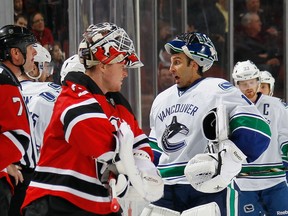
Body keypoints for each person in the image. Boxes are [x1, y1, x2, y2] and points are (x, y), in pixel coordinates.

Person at [22, 22, 163, 215]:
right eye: (122, 64)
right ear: (104, 64)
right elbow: (99, 144)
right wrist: (128, 165)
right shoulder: (73, 94)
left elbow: (141, 145)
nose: (125, 72)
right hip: (57, 200)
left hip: (96, 203)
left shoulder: (118, 105)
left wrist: (138, 164)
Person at [144, 32, 271, 216]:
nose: (171, 68)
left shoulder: (218, 89)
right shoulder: (161, 99)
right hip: (166, 187)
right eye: (171, 62)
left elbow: (257, 129)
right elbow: (155, 147)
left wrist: (229, 159)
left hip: (206, 185)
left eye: (177, 62)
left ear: (194, 64)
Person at [232, 60, 288, 215]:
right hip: (243, 182)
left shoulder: (277, 105)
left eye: (252, 82)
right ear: (236, 84)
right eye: (243, 83)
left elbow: (285, 134)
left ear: (258, 81)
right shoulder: (230, 108)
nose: (248, 87)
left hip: (275, 180)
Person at [0, 24, 35, 216]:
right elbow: (17, 137)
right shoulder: (5, 82)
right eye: (30, 49)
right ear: (15, 53)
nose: (33, 55)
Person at [234, 12, 281, 78]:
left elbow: (274, 49)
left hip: (268, 60)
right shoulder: (241, 38)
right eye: (257, 21)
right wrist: (265, 61)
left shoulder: (265, 35)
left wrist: (267, 55)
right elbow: (246, 54)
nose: (260, 24)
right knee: (265, 69)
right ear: (249, 24)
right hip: (252, 65)